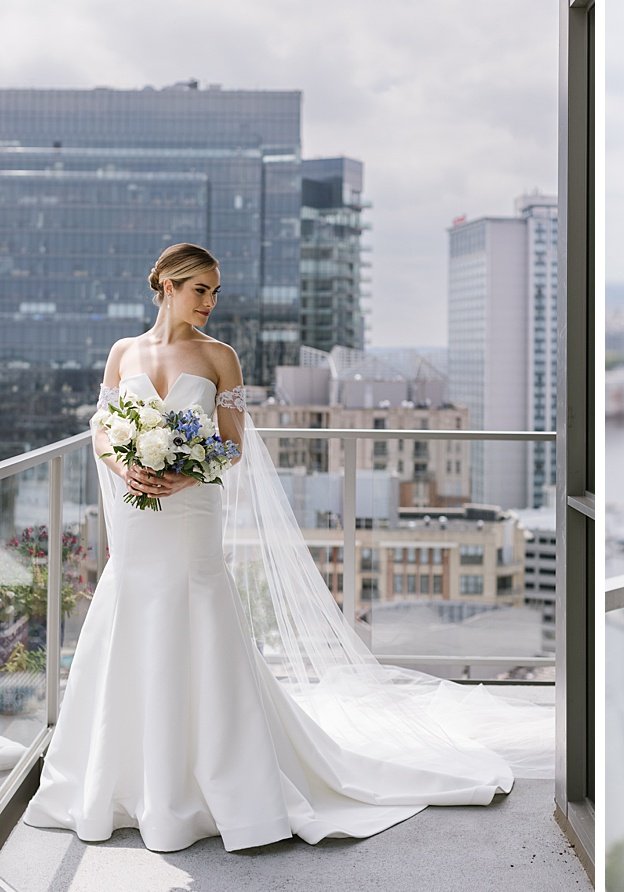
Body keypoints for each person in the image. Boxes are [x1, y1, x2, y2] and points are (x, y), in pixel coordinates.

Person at [23, 243, 552, 853]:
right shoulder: (124, 353)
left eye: (217, 293)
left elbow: (234, 444)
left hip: (192, 510)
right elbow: (101, 429)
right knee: (131, 612)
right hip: (135, 517)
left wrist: (183, 474)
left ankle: (212, 780)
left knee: (197, 613)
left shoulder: (221, 358)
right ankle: (121, 783)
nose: (212, 304)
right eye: (202, 291)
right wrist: (127, 470)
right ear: (167, 284)